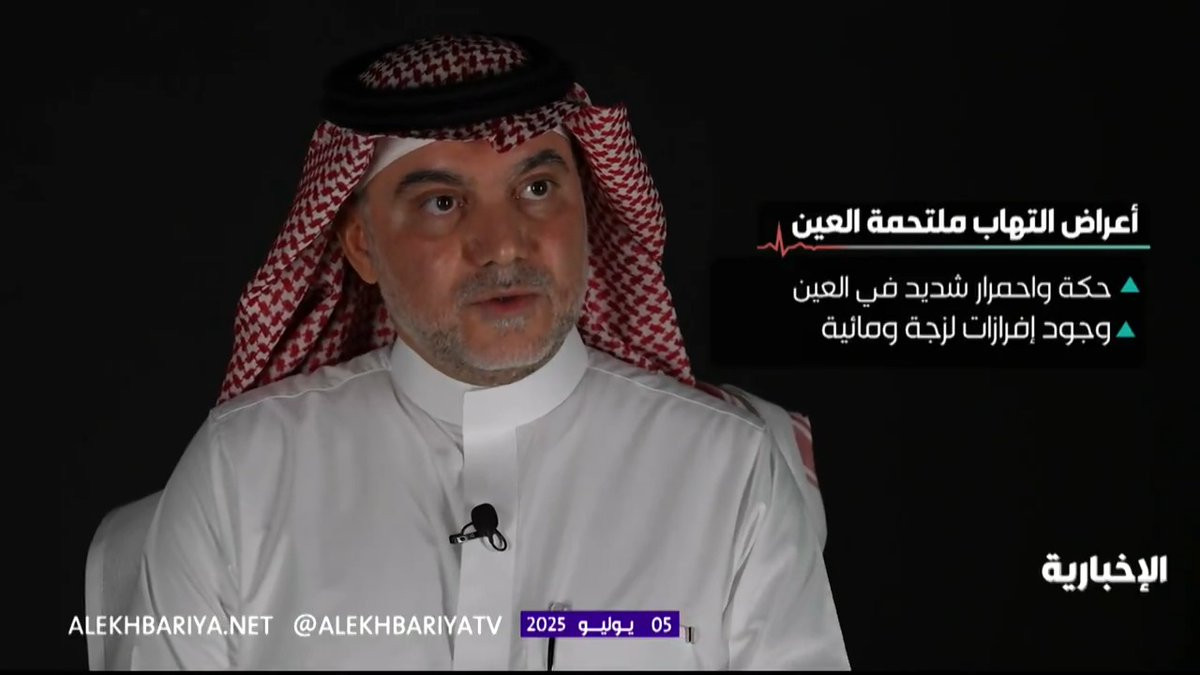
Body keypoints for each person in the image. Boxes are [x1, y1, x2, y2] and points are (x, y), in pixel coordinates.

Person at [111, 32, 849, 670]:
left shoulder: (729, 472)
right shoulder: (242, 472)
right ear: (362, 244)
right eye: (443, 202)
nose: (503, 246)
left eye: (537, 188)